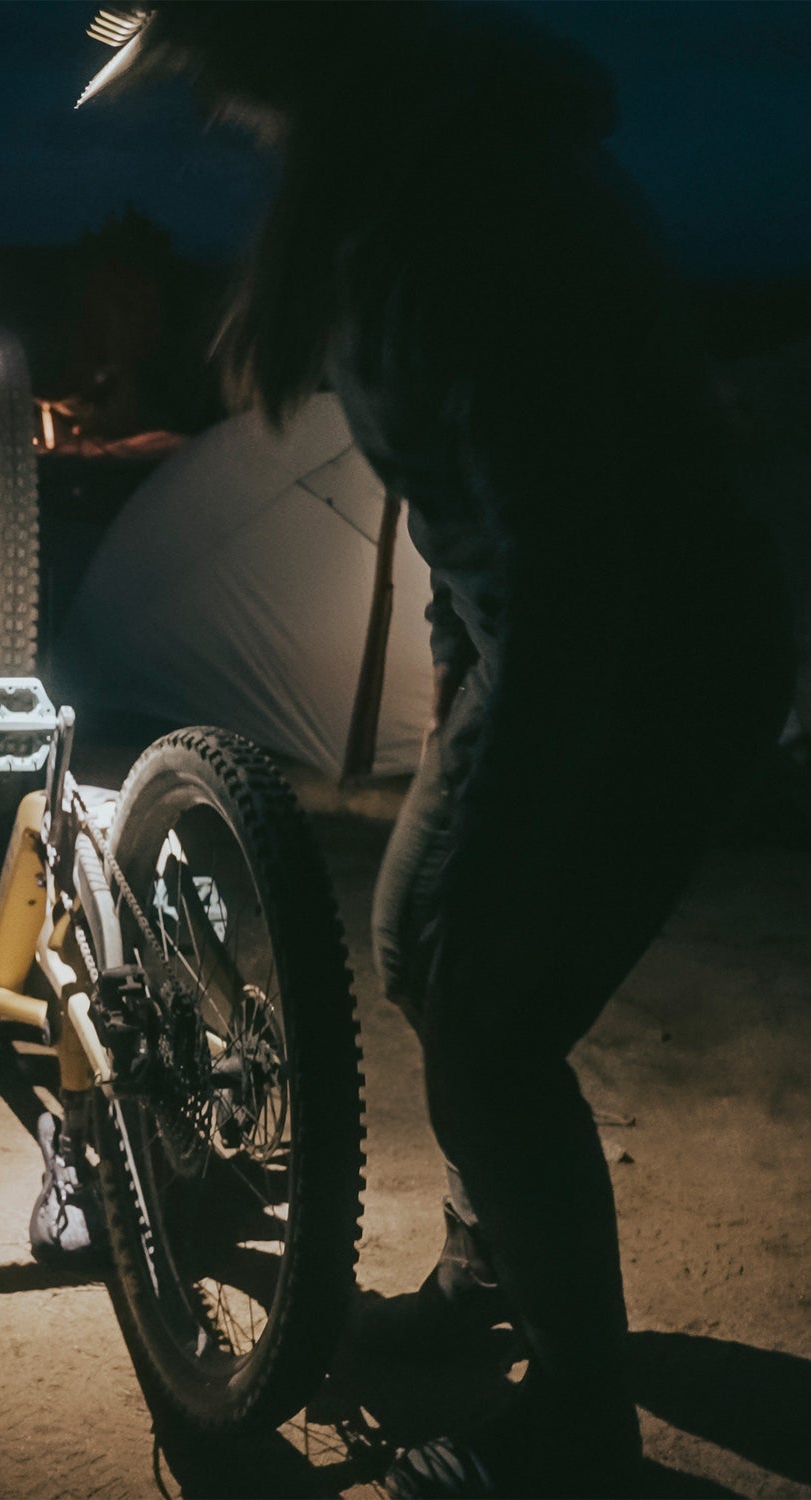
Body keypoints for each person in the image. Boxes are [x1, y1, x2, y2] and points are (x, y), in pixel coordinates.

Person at [79, 5, 793, 1495]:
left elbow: (568, 562)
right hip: (552, 637)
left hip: (654, 668)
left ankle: (579, 1418)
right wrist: (463, 729)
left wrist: (499, 798)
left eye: (211, 58)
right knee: (439, 960)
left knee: (479, 1008)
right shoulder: (394, 171)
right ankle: (487, 1279)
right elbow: (470, 541)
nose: (205, 98)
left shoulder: (476, 204)